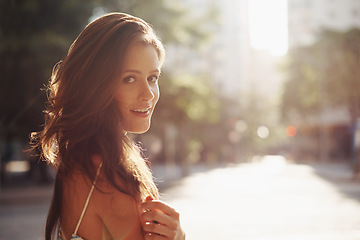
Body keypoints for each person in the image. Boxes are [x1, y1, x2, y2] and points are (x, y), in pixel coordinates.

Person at [31, 12, 185, 240]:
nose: (148, 95)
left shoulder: (78, 161)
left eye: (152, 78)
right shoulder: (107, 176)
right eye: (129, 79)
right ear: (97, 85)